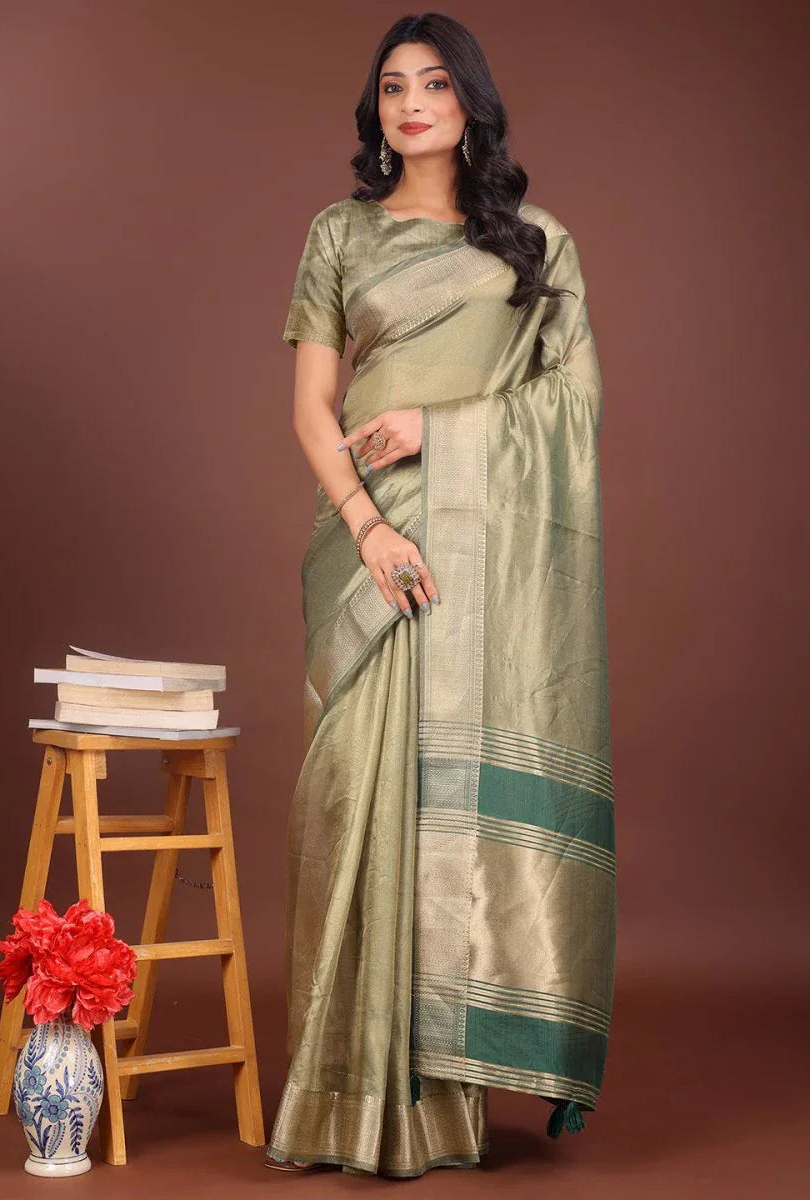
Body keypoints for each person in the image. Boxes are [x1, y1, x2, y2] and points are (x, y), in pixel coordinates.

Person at [263, 11, 615, 1179]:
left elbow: (573, 409)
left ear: (471, 103)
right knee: (347, 801)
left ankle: (439, 1101)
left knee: (443, 815)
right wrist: (368, 525)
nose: (412, 104)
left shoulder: (539, 244)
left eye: (435, 85)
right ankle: (345, 1096)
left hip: (476, 559)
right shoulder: (339, 233)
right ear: (376, 110)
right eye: (393, 87)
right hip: (369, 544)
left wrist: (439, 429)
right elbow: (312, 409)